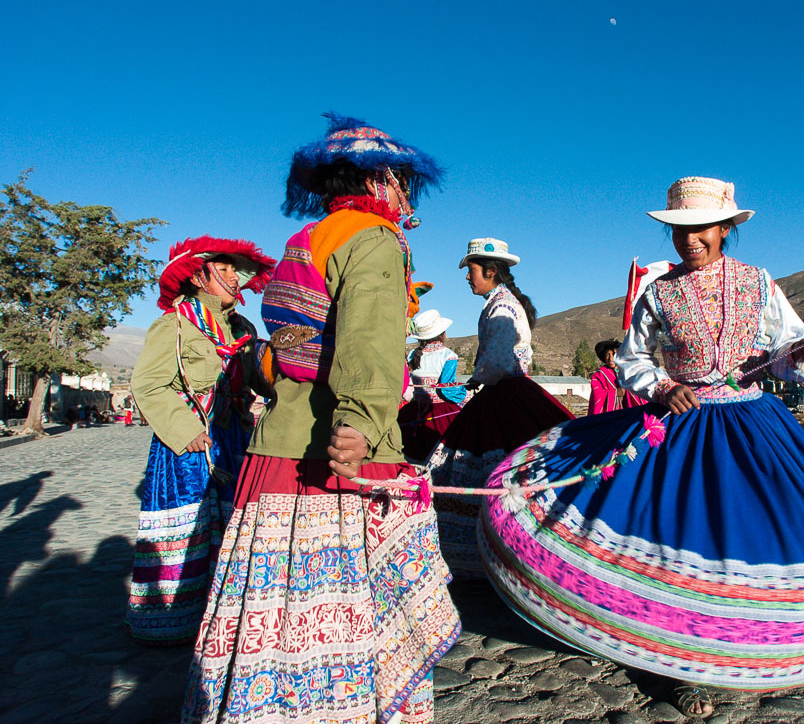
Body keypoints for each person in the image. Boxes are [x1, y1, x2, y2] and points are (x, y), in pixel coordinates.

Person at [479, 177, 804, 716]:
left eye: (700, 229)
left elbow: (787, 347)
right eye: (679, 231)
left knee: (749, 530)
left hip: (749, 424)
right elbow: (632, 358)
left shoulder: (758, 283)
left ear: (724, 229)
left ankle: (734, 646)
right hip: (676, 422)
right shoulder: (660, 291)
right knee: (674, 532)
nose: (689, 240)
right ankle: (674, 656)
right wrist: (662, 386)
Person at [182, 115, 460, 724]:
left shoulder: (306, 240)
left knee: (275, 601)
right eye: (403, 181)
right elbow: (369, 346)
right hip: (339, 450)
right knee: (354, 596)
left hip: (277, 447)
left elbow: (290, 346)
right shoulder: (376, 241)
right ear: (380, 178)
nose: (407, 195)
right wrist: (361, 421)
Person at [127, 236, 275, 645]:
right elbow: (149, 384)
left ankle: (226, 613)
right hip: (188, 444)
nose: (233, 276)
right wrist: (183, 429)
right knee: (188, 525)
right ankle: (175, 619)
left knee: (234, 525)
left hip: (234, 435)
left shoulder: (242, 329)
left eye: (235, 269)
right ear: (196, 275)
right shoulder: (174, 325)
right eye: (223, 268)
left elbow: (259, 378)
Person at [426, 238, 574, 579]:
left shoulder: (502, 308)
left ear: (491, 272)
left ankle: (494, 552)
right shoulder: (501, 303)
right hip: (507, 392)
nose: (467, 278)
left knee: (491, 461)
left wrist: (477, 378)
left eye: (472, 271)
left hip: (504, 393)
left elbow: (496, 358)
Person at [399, 308, 468, 462]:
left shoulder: (413, 354)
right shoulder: (448, 355)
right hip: (438, 410)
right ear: (442, 333)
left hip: (415, 408)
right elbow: (446, 390)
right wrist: (465, 393)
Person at [587, 339, 644, 414]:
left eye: (614, 354)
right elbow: (597, 395)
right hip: (610, 417)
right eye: (608, 355)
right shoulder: (599, 375)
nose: (611, 358)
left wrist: (628, 390)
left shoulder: (629, 372)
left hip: (629, 414)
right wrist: (616, 393)